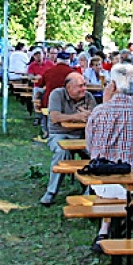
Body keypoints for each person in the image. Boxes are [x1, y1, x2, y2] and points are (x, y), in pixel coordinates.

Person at [84, 63, 133, 249]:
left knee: (113, 182)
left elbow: (90, 148)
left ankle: (104, 230)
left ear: (113, 86)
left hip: (102, 184)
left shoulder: (98, 112)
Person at [40, 72, 97, 206]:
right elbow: (55, 117)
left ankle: (89, 192)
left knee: (98, 155)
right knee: (62, 152)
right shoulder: (57, 94)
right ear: (69, 88)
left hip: (83, 135)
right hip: (59, 134)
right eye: (80, 86)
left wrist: (88, 116)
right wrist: (77, 116)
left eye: (84, 85)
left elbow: (95, 116)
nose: (84, 89)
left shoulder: (88, 97)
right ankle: (51, 192)